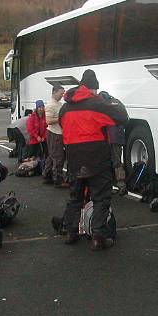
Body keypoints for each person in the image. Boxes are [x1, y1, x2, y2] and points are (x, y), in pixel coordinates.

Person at [59, 69, 128, 251]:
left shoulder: (65, 107)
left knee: (75, 197)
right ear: (93, 89)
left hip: (74, 158)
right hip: (97, 158)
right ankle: (98, 236)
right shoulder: (97, 104)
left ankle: (71, 231)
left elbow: (62, 125)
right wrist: (108, 102)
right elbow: (122, 117)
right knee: (101, 198)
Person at [100, 91, 127, 196]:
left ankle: (108, 187)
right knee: (117, 162)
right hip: (118, 137)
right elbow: (125, 119)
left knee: (106, 163)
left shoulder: (103, 105)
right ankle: (122, 186)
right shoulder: (117, 102)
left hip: (107, 137)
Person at [43, 85, 68, 187]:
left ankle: (47, 176)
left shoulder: (59, 104)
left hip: (58, 133)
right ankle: (58, 180)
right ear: (54, 92)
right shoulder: (50, 105)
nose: (62, 95)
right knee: (58, 157)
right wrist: (61, 118)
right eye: (61, 93)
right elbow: (48, 121)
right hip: (54, 134)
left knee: (51, 156)